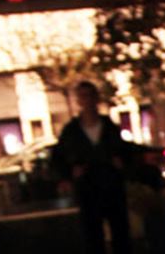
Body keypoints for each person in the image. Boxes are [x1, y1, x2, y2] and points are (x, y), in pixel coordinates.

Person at [52, 81, 133, 254]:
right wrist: (69, 174)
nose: (87, 100)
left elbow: (124, 150)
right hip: (88, 188)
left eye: (90, 95)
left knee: (120, 232)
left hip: (111, 186)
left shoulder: (109, 126)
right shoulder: (72, 130)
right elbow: (58, 157)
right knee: (92, 235)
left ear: (96, 98)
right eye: (83, 96)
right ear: (79, 101)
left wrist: (120, 163)